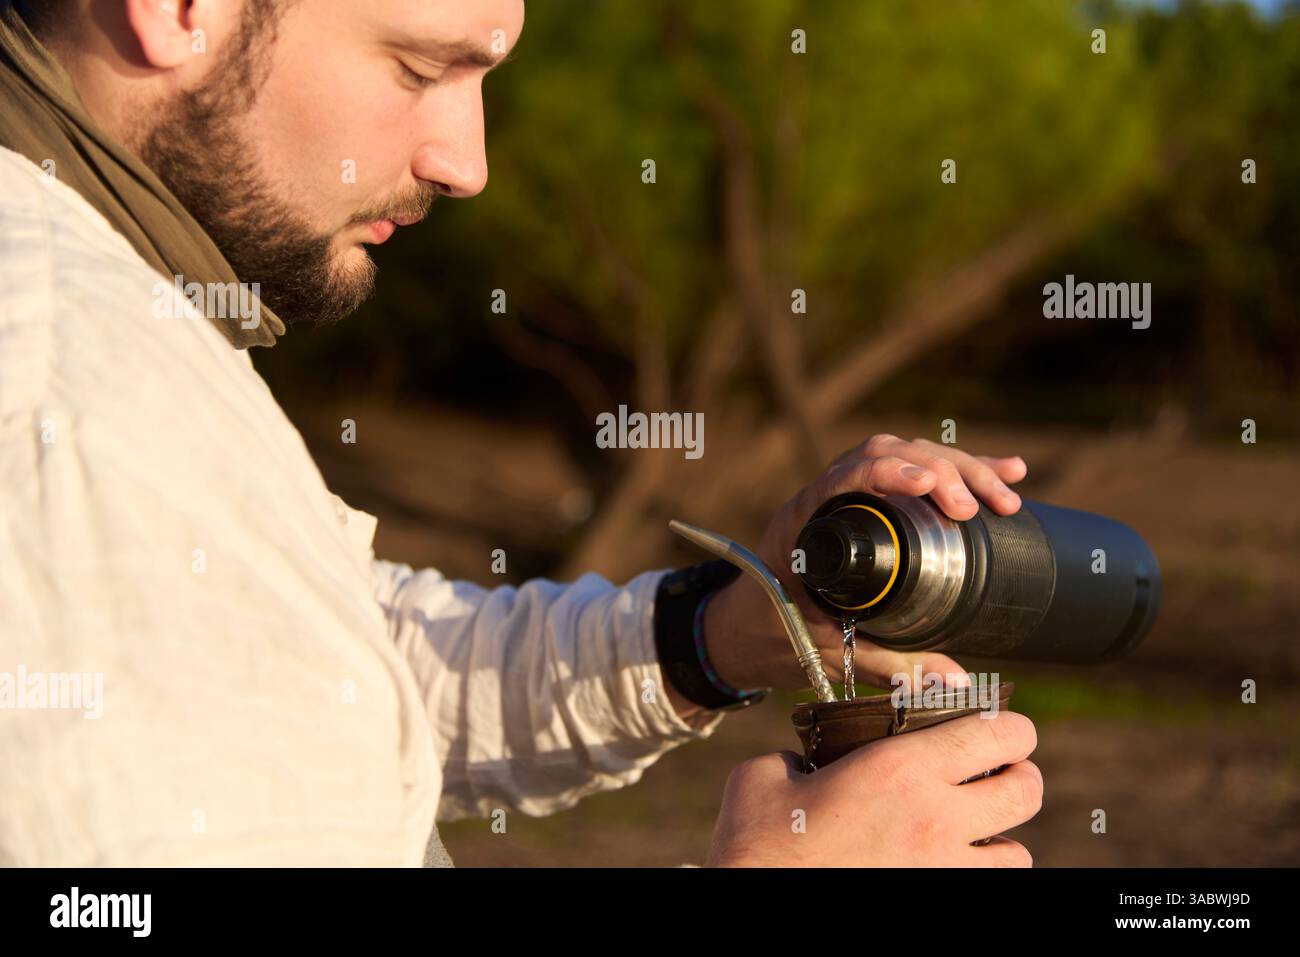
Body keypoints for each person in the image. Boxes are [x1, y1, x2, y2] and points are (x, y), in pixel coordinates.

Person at [0, 0, 1041, 867]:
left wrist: (722, 633)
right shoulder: (66, 396)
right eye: (419, 69)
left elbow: (329, 679)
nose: (467, 164)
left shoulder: (122, 323)